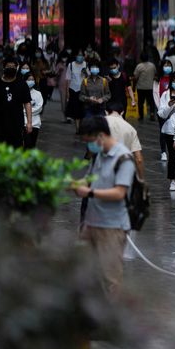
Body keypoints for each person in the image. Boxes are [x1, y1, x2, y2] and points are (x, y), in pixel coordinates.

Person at [73, 116, 135, 296]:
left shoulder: (124, 159)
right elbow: (90, 177)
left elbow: (119, 193)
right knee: (83, 271)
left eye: (90, 141)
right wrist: (77, 184)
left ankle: (115, 319)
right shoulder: (98, 154)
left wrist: (90, 193)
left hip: (112, 227)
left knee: (111, 279)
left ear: (101, 136)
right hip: (91, 224)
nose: (89, 146)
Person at [0, 58, 33, 148]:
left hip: (16, 124)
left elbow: (27, 103)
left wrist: (29, 122)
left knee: (16, 149)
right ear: (4, 67)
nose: (11, 68)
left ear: (17, 68)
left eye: (13, 67)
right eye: (8, 66)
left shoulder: (22, 84)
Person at [105, 101, 145, 181]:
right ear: (122, 112)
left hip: (104, 169)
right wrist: (141, 179)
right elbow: (139, 159)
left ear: (106, 112)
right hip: (123, 171)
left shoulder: (100, 123)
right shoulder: (130, 129)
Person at [153, 59, 175, 160]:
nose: (167, 68)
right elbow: (155, 94)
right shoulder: (158, 79)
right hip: (162, 110)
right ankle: (163, 152)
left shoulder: (174, 78)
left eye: (169, 65)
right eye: (165, 66)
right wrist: (160, 109)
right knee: (163, 131)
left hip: (174, 109)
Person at [65, 50, 88, 132]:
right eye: (78, 55)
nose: (80, 57)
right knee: (76, 109)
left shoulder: (86, 65)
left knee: (83, 110)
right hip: (73, 89)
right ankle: (78, 128)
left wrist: (86, 73)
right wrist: (67, 92)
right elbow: (68, 79)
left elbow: (89, 77)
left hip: (84, 90)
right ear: (75, 56)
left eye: (81, 55)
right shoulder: (71, 65)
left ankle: (81, 125)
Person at [133, 52, 157, 121]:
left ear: (140, 58)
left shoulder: (139, 66)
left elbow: (135, 78)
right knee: (151, 102)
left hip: (141, 87)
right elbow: (155, 75)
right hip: (150, 87)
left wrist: (134, 87)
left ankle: (141, 116)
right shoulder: (152, 65)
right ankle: (152, 114)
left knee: (141, 102)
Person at [23, 72, 44, 149]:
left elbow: (39, 107)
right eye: (29, 79)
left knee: (32, 145)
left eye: (32, 79)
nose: (31, 81)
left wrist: (25, 111)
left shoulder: (38, 94)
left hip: (35, 123)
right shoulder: (20, 92)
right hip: (23, 123)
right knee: (26, 144)